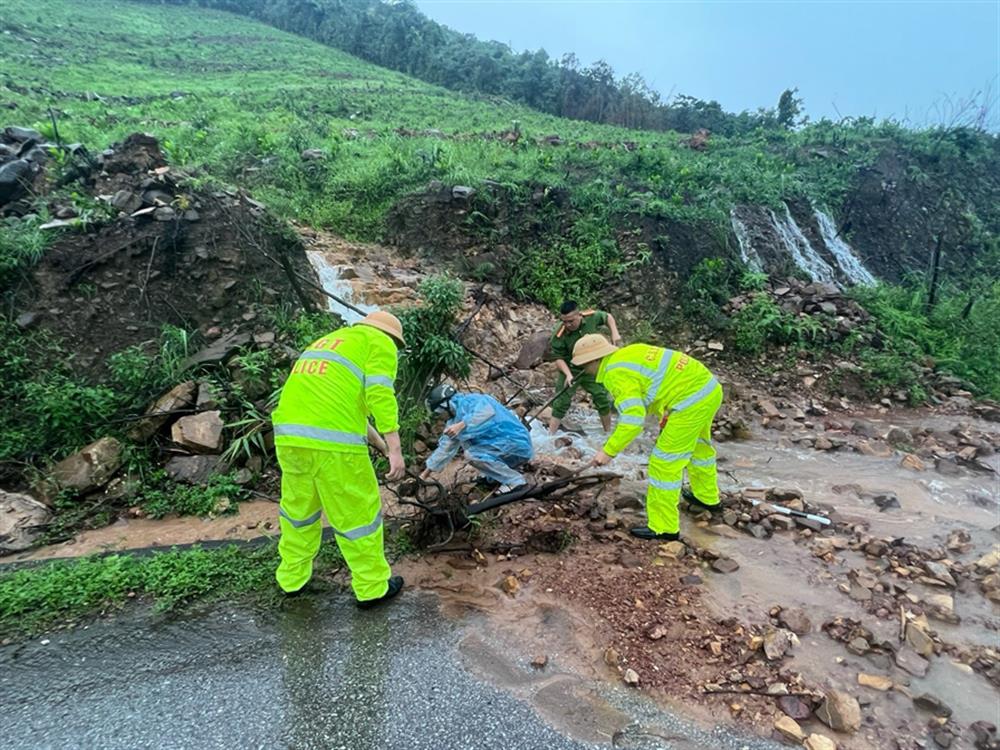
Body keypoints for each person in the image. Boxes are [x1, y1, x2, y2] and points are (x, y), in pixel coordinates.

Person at [271, 310, 407, 608]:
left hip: (290, 439)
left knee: (298, 511)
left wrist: (383, 447)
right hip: (334, 448)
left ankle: (292, 580)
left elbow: (346, 410)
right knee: (359, 515)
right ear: (392, 339)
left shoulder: (329, 342)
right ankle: (372, 588)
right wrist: (396, 450)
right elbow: (379, 394)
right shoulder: (378, 342)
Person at [570, 333, 723, 541]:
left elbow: (633, 420)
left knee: (663, 463)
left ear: (593, 361)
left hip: (689, 401)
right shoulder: (628, 353)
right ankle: (707, 498)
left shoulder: (615, 374)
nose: (583, 370)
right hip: (708, 389)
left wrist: (608, 451)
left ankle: (664, 528)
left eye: (583, 365)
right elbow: (662, 384)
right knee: (699, 450)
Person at [420, 384, 533, 491]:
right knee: (473, 449)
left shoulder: (473, 401)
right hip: (503, 450)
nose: (439, 417)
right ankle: (494, 478)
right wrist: (423, 476)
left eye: (439, 413)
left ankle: (516, 482)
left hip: (516, 444)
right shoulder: (453, 421)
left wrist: (461, 425)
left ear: (446, 405)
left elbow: (486, 412)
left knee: (471, 455)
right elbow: (445, 449)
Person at [548, 301, 622, 434]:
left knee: (602, 398)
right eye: (564, 321)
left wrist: (614, 333)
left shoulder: (591, 318)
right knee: (561, 400)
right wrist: (568, 375)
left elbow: (608, 317)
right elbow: (558, 358)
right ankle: (550, 435)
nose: (567, 325)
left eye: (571, 321)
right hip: (571, 368)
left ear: (579, 315)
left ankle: (607, 433)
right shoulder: (559, 333)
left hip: (592, 366)